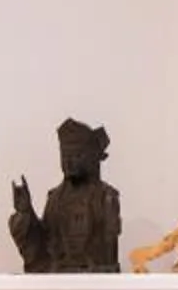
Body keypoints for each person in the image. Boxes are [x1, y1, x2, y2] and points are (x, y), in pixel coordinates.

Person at [9, 117, 122, 273]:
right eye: (65, 156)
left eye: (76, 156)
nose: (69, 163)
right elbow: (42, 248)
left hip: (92, 283)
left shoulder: (106, 198)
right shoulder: (55, 198)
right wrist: (26, 213)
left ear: (91, 157)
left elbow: (108, 256)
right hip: (57, 280)